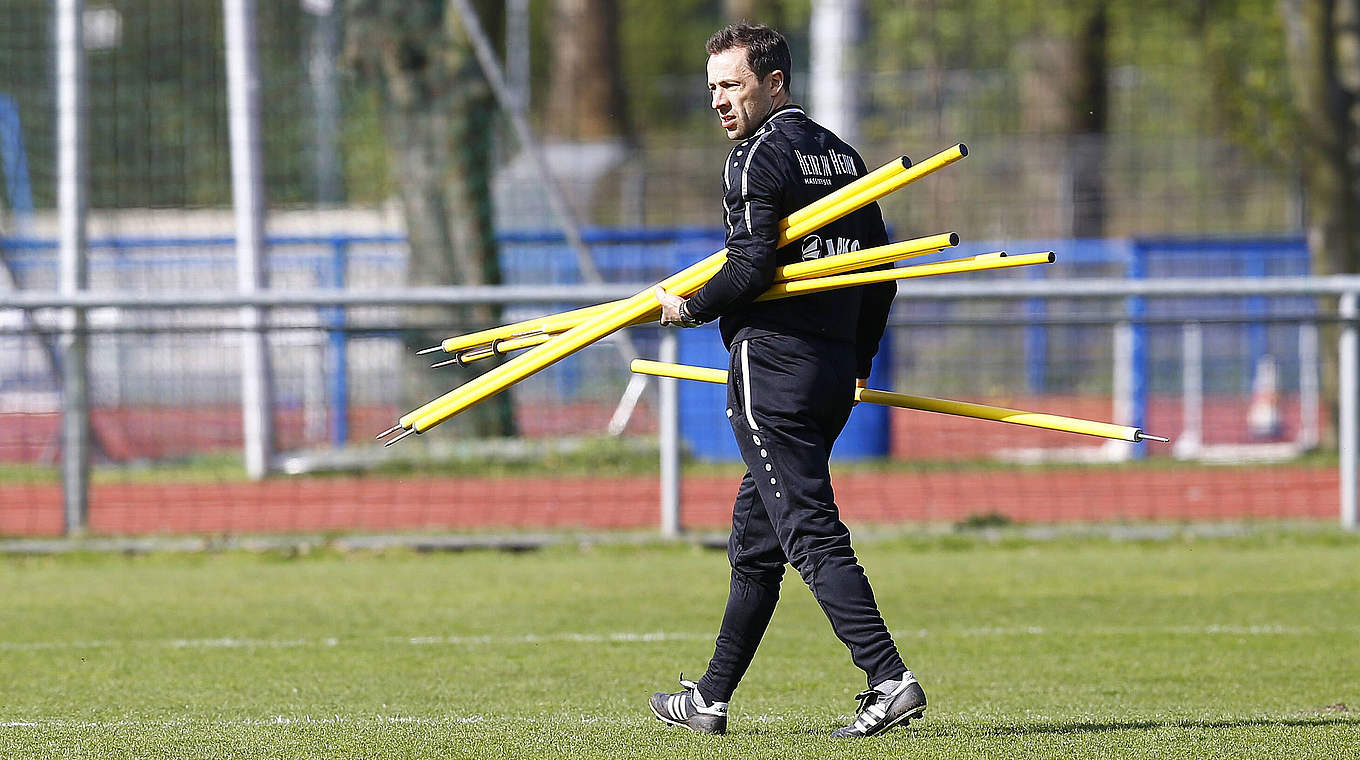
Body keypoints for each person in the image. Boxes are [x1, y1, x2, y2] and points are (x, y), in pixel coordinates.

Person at [649, 23, 926, 739]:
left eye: (732, 85)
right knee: (757, 537)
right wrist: (856, 362)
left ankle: (888, 677)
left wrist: (689, 309)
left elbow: (748, 270)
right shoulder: (843, 156)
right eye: (711, 88)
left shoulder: (755, 157)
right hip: (828, 371)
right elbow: (881, 275)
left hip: (773, 372)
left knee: (807, 528)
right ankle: (710, 697)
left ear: (775, 83)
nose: (719, 102)